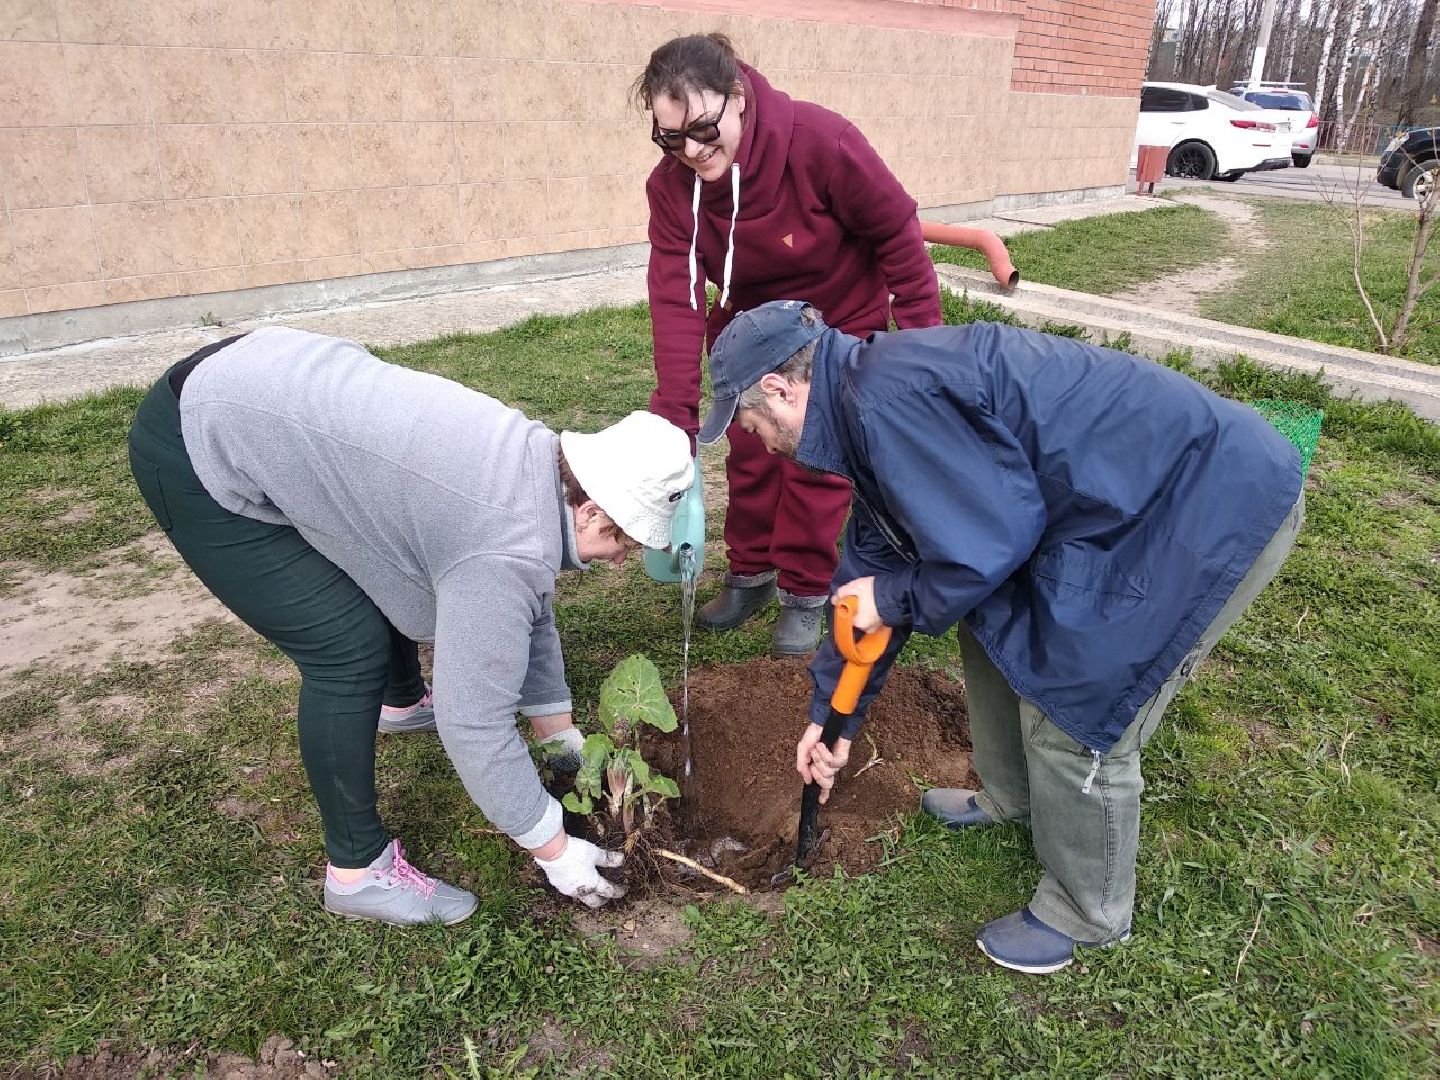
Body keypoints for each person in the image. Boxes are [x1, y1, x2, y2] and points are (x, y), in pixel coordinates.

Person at [699, 300, 1305, 974]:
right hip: (1101, 504)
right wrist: (830, 719)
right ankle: (1012, 797)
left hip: (1200, 503)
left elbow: (990, 541)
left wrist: (893, 597)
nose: (753, 439)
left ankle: (1088, 911)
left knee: (1078, 699)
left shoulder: (889, 404)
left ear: (780, 391)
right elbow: (875, 571)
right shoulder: (862, 404)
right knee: (993, 625)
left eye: (747, 423)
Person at [128, 327, 694, 926]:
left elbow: (528, 604)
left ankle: (401, 704)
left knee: (386, 576)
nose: (624, 558)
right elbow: (473, 725)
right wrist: (553, 848)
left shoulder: (534, 465)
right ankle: (356, 873)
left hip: (262, 378)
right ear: (592, 509)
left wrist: (558, 736)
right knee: (346, 648)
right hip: (200, 442)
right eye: (625, 540)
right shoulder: (504, 550)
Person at [634, 33, 942, 657]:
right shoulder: (671, 189)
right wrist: (676, 410)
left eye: (701, 127)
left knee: (813, 457)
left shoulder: (822, 142)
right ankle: (751, 572)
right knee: (749, 452)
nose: (690, 151)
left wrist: (920, 347)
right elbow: (676, 295)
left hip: (839, 320)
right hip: (751, 326)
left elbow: (898, 236)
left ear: (739, 98)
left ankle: (805, 590)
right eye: (671, 138)